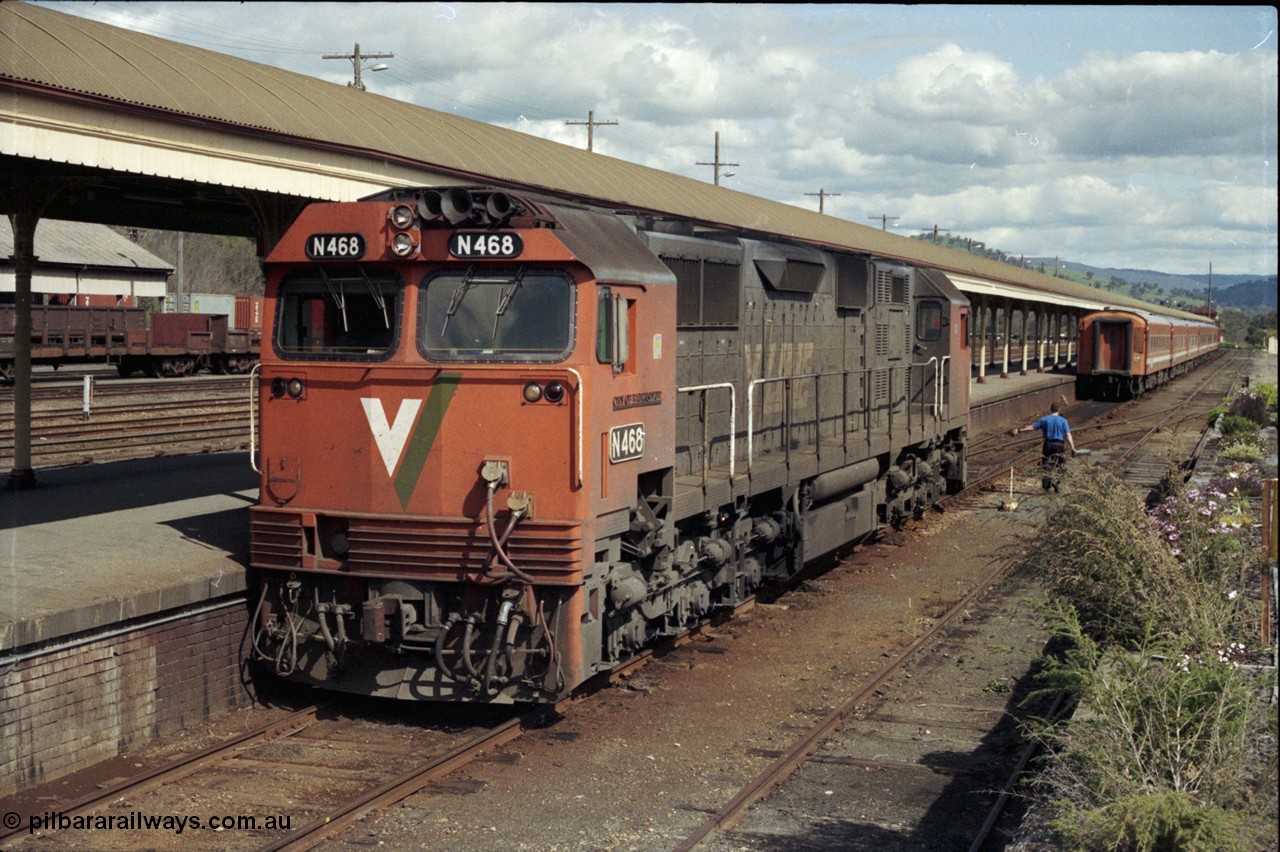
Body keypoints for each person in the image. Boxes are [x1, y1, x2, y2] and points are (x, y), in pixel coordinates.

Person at [1012, 402, 1075, 491]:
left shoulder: (1044, 419)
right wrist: (1072, 447)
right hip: (1059, 445)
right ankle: (1057, 481)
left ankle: (1046, 487)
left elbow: (1032, 427)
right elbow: (1068, 435)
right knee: (1062, 464)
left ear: (1050, 409)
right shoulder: (1063, 421)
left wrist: (1020, 430)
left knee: (1046, 465)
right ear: (1059, 410)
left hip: (1048, 444)